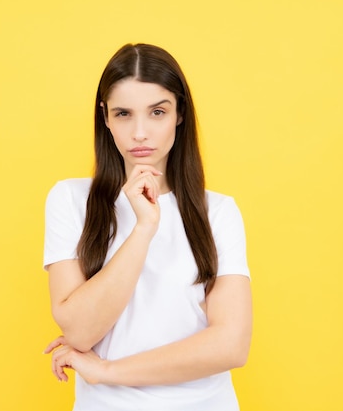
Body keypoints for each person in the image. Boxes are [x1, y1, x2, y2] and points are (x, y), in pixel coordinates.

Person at [42, 43, 252, 411]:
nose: (140, 132)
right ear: (105, 117)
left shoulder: (217, 212)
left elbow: (230, 345)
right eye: (124, 113)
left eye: (157, 111)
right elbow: (80, 330)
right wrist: (143, 228)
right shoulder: (71, 200)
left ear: (179, 114)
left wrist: (107, 370)